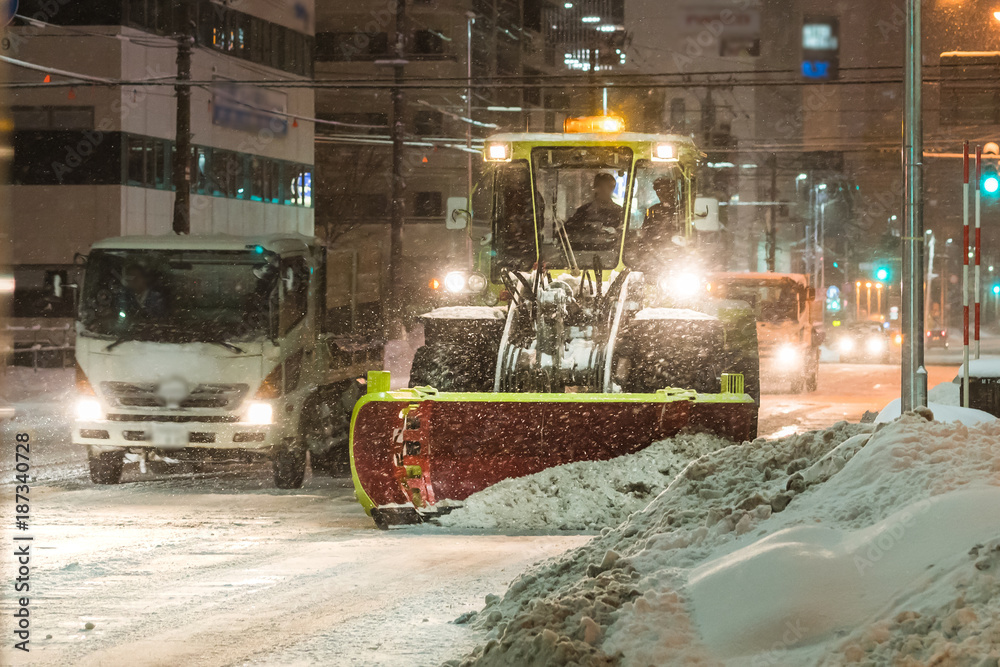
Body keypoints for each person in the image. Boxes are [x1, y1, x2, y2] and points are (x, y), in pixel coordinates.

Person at [643, 176, 685, 245]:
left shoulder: (680, 209)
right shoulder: (651, 210)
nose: (660, 194)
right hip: (654, 247)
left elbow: (684, 232)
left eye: (664, 190)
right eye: (658, 190)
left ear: (672, 191)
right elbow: (645, 231)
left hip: (675, 248)